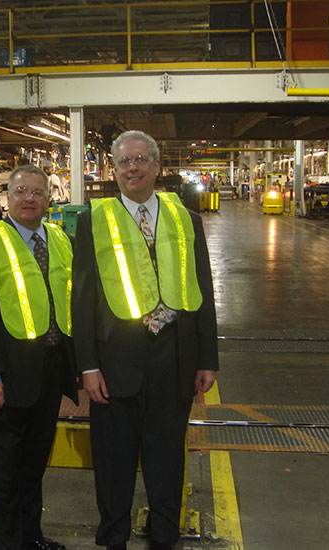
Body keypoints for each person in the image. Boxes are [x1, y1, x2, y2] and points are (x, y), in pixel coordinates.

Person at [71, 131, 219, 550]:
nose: (132, 168)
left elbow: (203, 289)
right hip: (116, 362)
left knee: (168, 456)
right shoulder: (92, 220)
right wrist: (88, 366)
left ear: (157, 166)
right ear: (113, 170)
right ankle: (113, 535)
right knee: (114, 459)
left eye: (140, 160)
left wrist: (207, 357)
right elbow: (82, 299)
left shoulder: (185, 219)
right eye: (123, 162)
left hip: (174, 357)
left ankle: (165, 534)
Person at [0, 165, 79, 550]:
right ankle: (9, 544)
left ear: (49, 199)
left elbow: (67, 303)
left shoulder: (60, 240)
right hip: (6, 379)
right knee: (3, 471)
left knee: (32, 466)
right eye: (22, 191)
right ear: (8, 197)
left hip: (49, 373)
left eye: (38, 192)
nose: (30, 198)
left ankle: (32, 537)